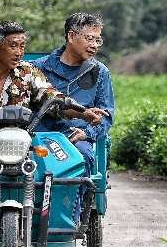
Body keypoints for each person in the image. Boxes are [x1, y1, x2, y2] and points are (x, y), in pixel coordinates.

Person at [0, 20, 107, 142]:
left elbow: (53, 98)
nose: (19, 52)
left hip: (16, 146)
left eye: (22, 46)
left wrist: (83, 113)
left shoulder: (27, 72)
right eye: (13, 46)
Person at [32, 13, 115, 223]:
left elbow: (106, 116)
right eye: (89, 38)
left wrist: (86, 133)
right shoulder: (40, 68)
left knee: (83, 155)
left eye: (98, 40)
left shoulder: (100, 72)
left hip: (77, 138)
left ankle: (70, 219)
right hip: (39, 135)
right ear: (71, 36)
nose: (95, 45)